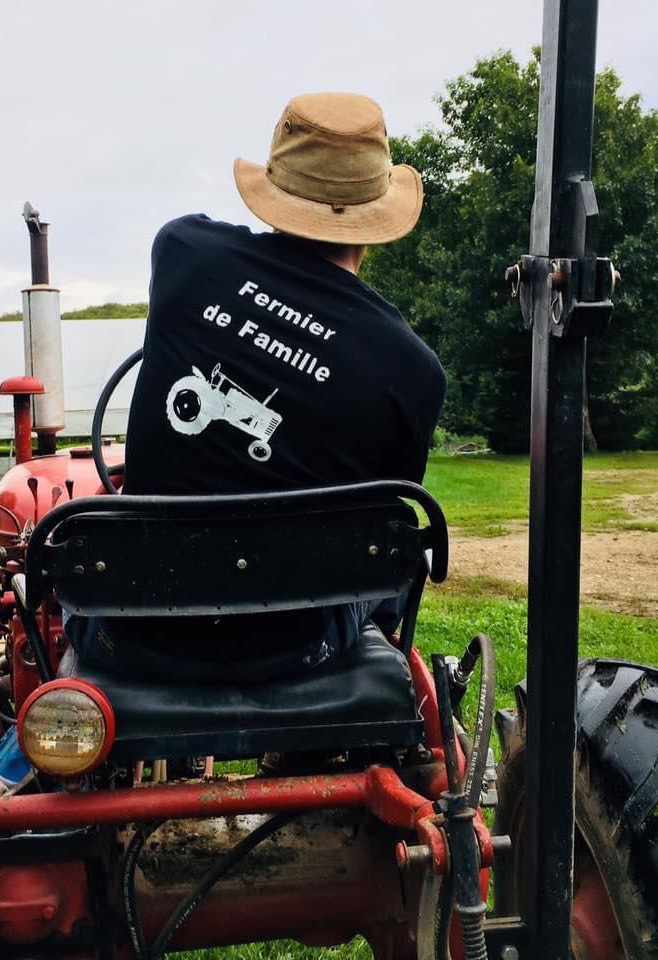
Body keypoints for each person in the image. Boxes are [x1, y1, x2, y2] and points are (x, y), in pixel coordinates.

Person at [66, 92, 445, 681]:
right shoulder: (413, 370)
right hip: (301, 649)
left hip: (130, 631)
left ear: (273, 193)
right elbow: (381, 516)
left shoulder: (183, 252)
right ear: (374, 222)